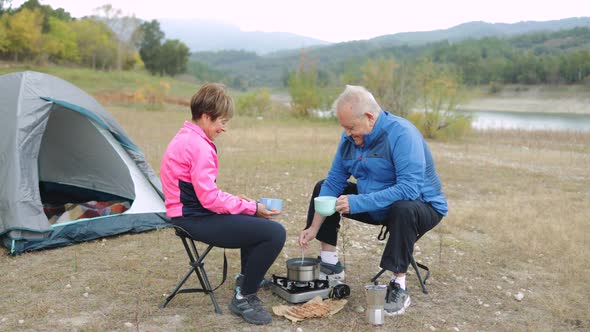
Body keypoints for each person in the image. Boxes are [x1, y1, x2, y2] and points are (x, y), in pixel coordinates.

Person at [298, 85, 447, 316]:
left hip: (422, 206)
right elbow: (335, 179)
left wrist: (358, 203)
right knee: (323, 188)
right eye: (344, 128)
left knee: (404, 208)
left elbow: (409, 189)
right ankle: (330, 267)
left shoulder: (402, 134)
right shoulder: (351, 136)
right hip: (378, 203)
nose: (347, 134)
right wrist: (313, 226)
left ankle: (399, 286)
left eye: (351, 127)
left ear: (369, 118)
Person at [160, 83, 286, 325]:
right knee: (274, 233)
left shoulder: (186, 136)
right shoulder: (198, 146)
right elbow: (209, 199)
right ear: (206, 116)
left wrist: (242, 204)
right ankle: (244, 297)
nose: (223, 128)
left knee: (252, 218)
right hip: (193, 219)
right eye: (222, 122)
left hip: (188, 213)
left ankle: (247, 278)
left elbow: (203, 193)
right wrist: (251, 207)